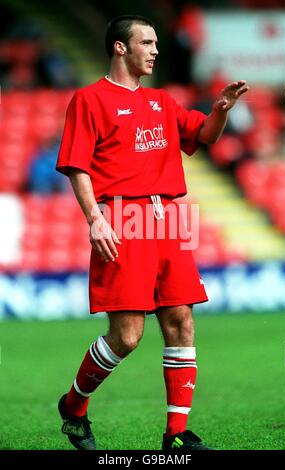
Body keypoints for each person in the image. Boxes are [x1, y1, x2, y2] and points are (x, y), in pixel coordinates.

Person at [56, 14, 249, 451]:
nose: (156, 49)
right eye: (146, 42)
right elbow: (78, 166)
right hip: (123, 220)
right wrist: (96, 218)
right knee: (127, 336)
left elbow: (204, 136)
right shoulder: (89, 100)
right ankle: (73, 405)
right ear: (120, 48)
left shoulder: (162, 101)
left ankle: (176, 435)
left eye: (156, 42)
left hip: (168, 220)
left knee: (181, 322)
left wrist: (219, 110)